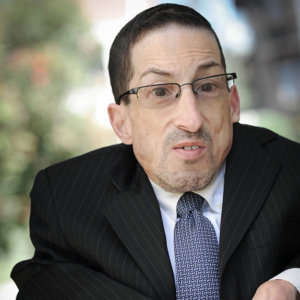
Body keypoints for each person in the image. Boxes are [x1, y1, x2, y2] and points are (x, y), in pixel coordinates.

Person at [11, 3, 300, 300]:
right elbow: (42, 283)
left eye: (208, 86)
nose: (192, 119)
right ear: (121, 123)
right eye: (160, 91)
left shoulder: (292, 170)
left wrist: (292, 282)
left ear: (233, 103)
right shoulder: (67, 199)